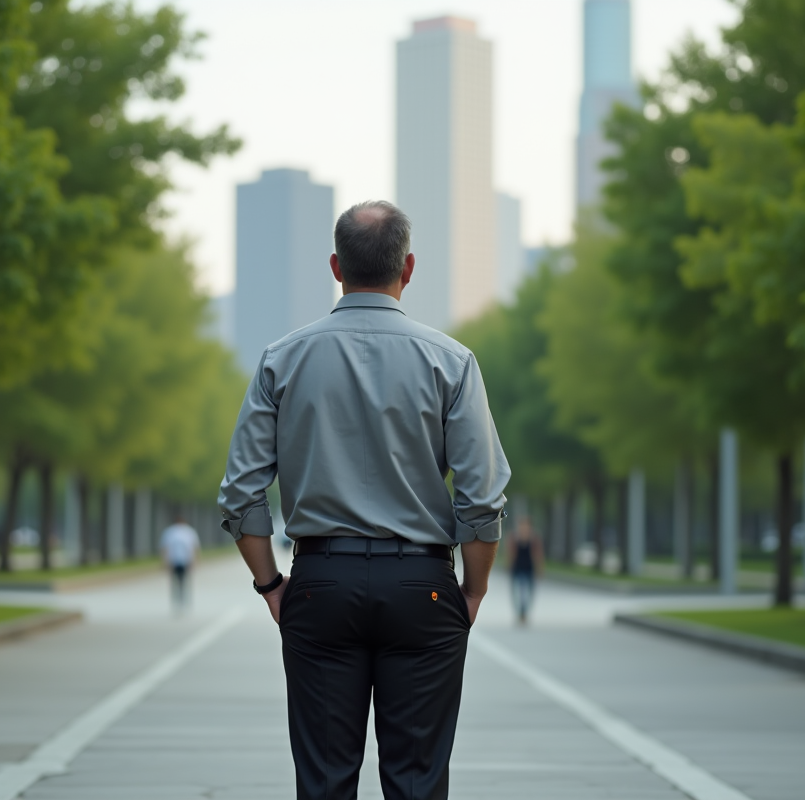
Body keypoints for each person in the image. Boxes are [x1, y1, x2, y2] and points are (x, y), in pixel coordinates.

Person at [218, 200, 510, 800]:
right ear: (408, 268)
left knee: (324, 781)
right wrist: (473, 590)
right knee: (416, 782)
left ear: (336, 266)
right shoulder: (453, 362)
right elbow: (481, 499)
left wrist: (271, 585)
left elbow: (242, 493)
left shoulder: (281, 360)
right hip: (423, 586)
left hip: (321, 583)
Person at [507, 516, 543, 625]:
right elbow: (510, 553)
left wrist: (539, 568)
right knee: (519, 593)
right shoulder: (514, 538)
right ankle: (521, 612)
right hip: (517, 569)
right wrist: (509, 565)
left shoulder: (534, 539)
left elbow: (538, 554)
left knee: (529, 593)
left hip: (529, 569)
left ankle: (524, 612)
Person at [159, 515, 200, 608]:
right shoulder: (186, 532)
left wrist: (164, 561)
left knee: (181, 580)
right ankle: (179, 599)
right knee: (178, 581)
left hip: (182, 560)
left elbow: (165, 548)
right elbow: (195, 547)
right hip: (177, 560)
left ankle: (181, 598)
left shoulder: (174, 532)